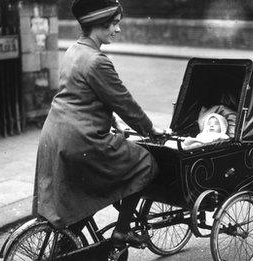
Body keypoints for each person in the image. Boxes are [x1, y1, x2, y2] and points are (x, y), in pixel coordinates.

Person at [32, 0, 164, 248]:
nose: (118, 30)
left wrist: (114, 124)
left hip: (54, 135)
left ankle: (67, 246)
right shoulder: (97, 61)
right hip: (82, 139)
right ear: (98, 25)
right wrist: (150, 130)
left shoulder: (73, 51)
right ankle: (122, 232)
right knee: (145, 163)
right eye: (114, 24)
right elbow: (124, 102)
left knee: (82, 194)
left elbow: (89, 97)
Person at [165, 113, 230, 150]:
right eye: (209, 124)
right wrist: (190, 140)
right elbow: (196, 139)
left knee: (198, 145)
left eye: (216, 124)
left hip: (203, 147)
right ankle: (183, 148)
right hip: (192, 143)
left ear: (222, 126)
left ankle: (184, 149)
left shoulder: (222, 135)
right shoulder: (202, 134)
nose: (211, 126)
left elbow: (225, 139)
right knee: (169, 142)